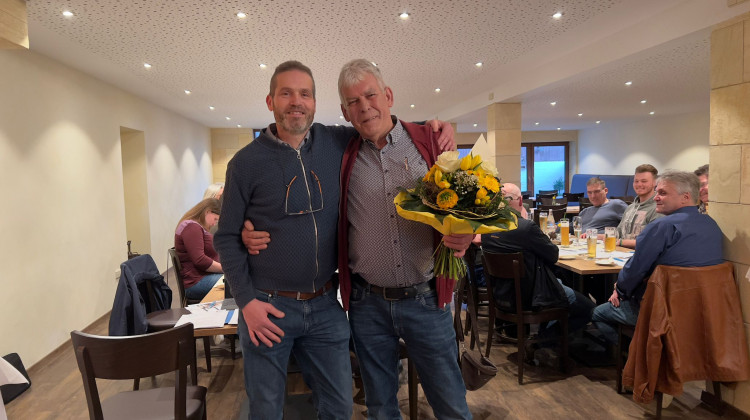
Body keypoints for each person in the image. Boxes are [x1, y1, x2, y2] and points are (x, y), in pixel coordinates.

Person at [215, 60, 454, 419]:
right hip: (269, 307)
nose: (296, 102)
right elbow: (226, 238)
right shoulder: (245, 163)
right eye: (286, 93)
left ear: (315, 102)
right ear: (270, 101)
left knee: (340, 408)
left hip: (327, 305)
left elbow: (383, 124)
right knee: (265, 410)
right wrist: (246, 301)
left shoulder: (336, 142)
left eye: (305, 94)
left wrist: (435, 126)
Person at [336, 59, 473, 419]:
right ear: (345, 112)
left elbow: (464, 202)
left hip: (426, 299)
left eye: (370, 95)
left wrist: (466, 232)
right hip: (367, 303)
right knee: (380, 407)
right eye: (353, 102)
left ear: (389, 96)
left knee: (451, 404)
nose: (364, 107)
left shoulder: (429, 141)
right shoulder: (343, 154)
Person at [591, 171, 723, 345]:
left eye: (663, 193)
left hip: (661, 310)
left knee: (597, 313)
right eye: (657, 192)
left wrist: (619, 289)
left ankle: (636, 356)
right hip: (704, 311)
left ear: (685, 197)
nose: (655, 198)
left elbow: (636, 269)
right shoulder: (712, 224)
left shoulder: (661, 226)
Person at [479, 183, 594, 361]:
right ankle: (541, 341)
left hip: (500, 296)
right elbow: (553, 255)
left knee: (562, 283)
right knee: (587, 308)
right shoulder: (526, 228)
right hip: (533, 297)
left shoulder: (487, 227)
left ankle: (551, 336)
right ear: (521, 202)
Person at [174, 198, 223, 301]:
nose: (215, 223)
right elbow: (200, 260)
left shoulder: (195, 226)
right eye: (215, 219)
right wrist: (225, 268)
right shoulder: (191, 227)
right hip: (196, 282)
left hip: (203, 276)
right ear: (208, 212)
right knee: (238, 282)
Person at [615, 164, 663, 249]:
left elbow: (653, 241)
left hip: (641, 255)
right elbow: (618, 233)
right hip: (620, 253)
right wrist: (599, 236)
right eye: (636, 181)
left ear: (654, 183)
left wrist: (621, 242)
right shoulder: (630, 207)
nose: (639, 184)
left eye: (644, 181)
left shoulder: (658, 208)